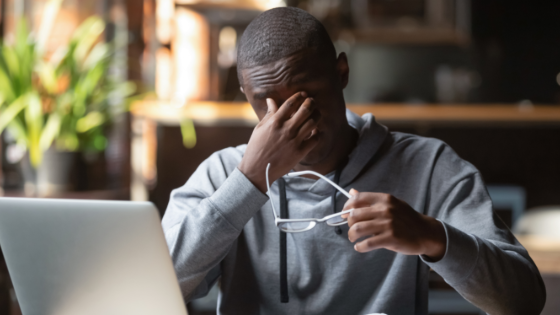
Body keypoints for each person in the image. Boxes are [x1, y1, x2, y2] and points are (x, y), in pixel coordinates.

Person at [162, 7, 546, 315]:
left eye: (308, 96)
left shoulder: (428, 166)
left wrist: (433, 237)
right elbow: (162, 288)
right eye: (270, 105)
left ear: (341, 73)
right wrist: (247, 183)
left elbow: (524, 301)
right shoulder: (222, 175)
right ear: (246, 95)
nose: (295, 121)